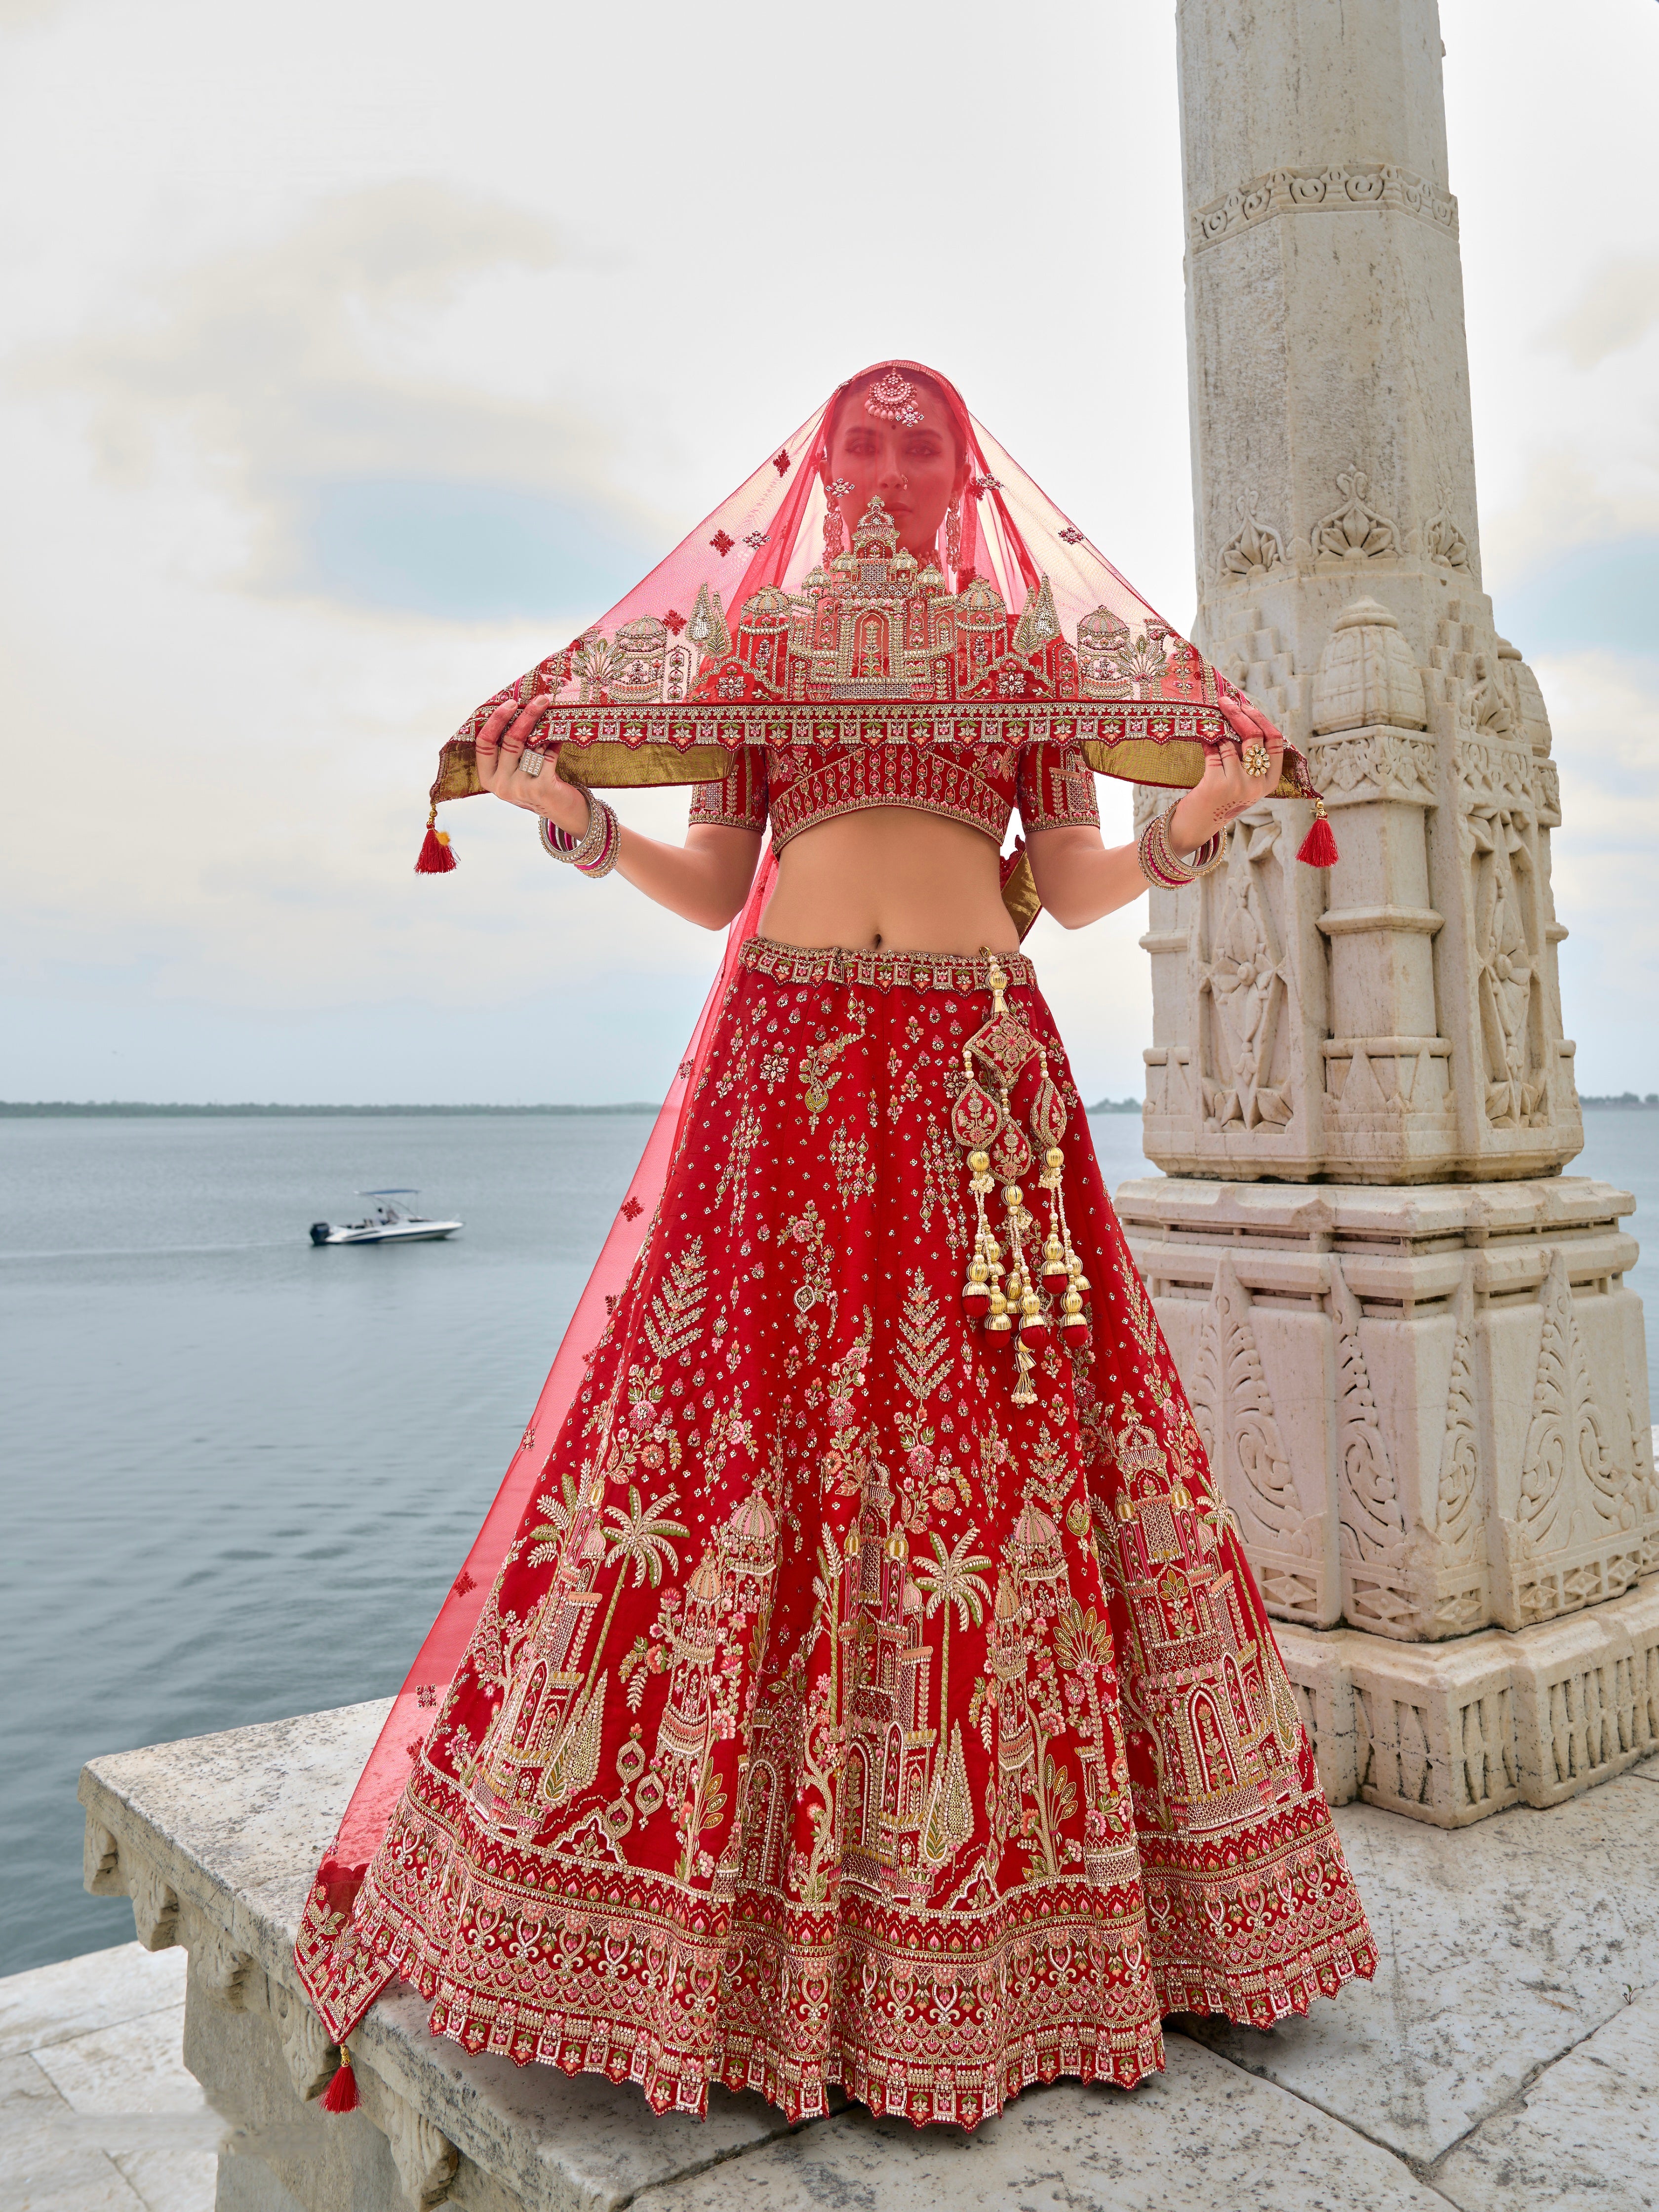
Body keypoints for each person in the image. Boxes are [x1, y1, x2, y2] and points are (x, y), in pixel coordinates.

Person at [295, 362, 1373, 2131]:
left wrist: (1205, 814)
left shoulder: (1028, 653)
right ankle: (675, 1934)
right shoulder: (764, 649)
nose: (889, 466)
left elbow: (1076, 889)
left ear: (968, 477)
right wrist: (581, 825)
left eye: (922, 441)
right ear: (819, 469)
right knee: (732, 1444)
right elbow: (722, 892)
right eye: (863, 439)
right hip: (785, 1071)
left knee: (1002, 1469)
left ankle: (1037, 1942)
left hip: (973, 1075)